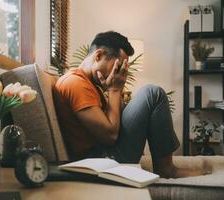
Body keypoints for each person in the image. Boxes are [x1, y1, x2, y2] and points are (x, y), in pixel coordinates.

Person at [53, 31, 206, 178]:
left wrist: (112, 90)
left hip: (104, 152)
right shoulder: (75, 83)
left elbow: (114, 121)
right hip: (101, 159)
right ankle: (167, 170)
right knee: (153, 93)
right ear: (98, 55)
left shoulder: (85, 82)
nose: (120, 72)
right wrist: (114, 89)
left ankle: (166, 167)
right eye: (118, 66)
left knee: (150, 96)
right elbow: (110, 136)